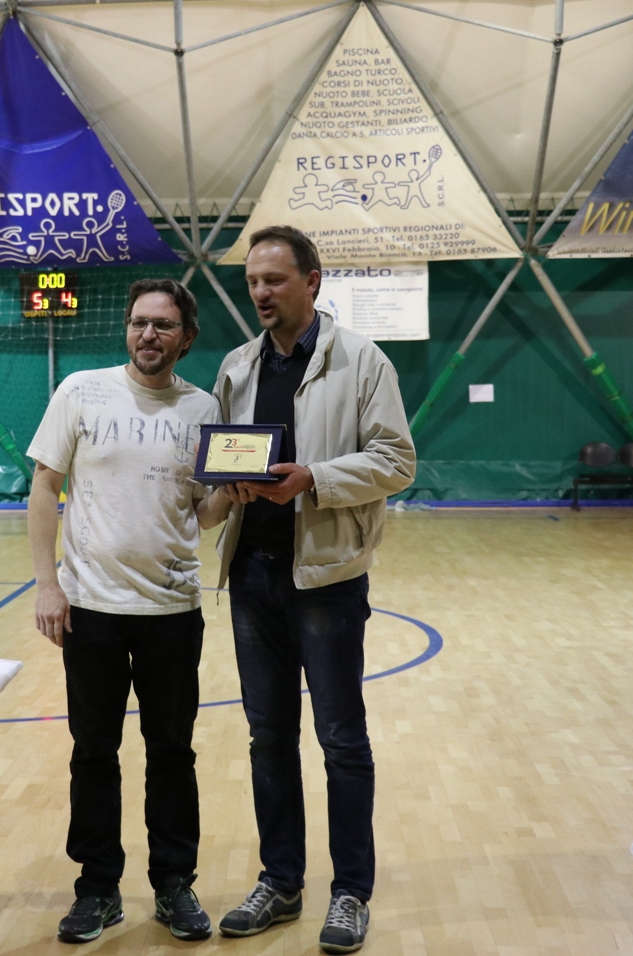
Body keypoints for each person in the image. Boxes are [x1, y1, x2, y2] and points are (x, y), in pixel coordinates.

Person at [208, 226, 415, 955]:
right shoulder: (236, 367)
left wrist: (314, 479)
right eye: (252, 282)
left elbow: (397, 460)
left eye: (274, 279)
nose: (261, 292)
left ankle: (350, 891)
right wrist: (226, 486)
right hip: (251, 576)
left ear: (312, 282)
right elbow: (225, 459)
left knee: (340, 740)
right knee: (268, 738)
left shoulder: (362, 360)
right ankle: (281, 882)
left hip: (326, 579)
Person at [27, 278, 229, 945]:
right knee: (94, 752)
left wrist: (235, 492)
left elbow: (202, 513)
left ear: (186, 338)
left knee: (172, 752)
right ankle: (97, 888)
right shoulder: (80, 391)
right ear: (127, 329)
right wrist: (47, 584)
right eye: (140, 322)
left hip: (172, 607)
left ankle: (173, 884)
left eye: (163, 325)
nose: (149, 334)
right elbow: (45, 486)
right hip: (91, 607)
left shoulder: (203, 407)